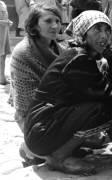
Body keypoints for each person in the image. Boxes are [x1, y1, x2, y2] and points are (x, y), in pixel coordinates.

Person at [24, 10, 112, 174]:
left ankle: (64, 149)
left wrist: (111, 61)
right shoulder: (79, 58)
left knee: (102, 105)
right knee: (103, 109)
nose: (104, 36)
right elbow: (110, 96)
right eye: (97, 30)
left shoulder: (86, 56)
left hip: (46, 126)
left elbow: (105, 85)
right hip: (42, 131)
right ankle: (59, 157)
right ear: (83, 33)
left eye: (107, 30)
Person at [10, 4, 64, 166]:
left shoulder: (60, 50)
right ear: (34, 26)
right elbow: (27, 102)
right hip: (33, 116)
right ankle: (31, 148)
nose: (55, 26)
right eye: (48, 21)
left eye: (58, 21)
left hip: (57, 107)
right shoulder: (22, 53)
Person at [0, 1, 11, 85]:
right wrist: (5, 22)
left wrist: (8, 21)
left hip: (4, 32)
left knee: (3, 55)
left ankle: (2, 77)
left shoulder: (2, 3)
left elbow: (4, 17)